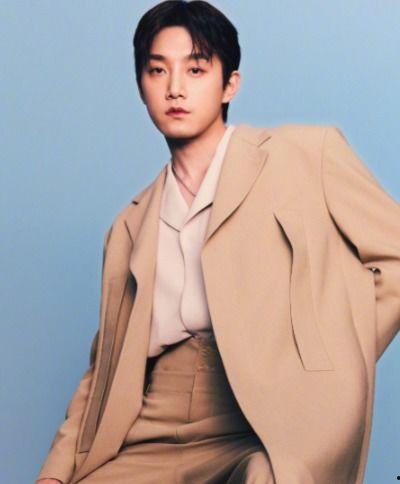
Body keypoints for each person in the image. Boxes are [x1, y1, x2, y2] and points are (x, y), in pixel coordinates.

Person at [36, 1, 399, 483]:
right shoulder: (129, 226)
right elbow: (103, 367)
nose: (175, 88)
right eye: (157, 70)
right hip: (152, 423)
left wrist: (333, 359)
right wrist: (54, 473)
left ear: (230, 84)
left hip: (262, 416)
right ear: (141, 86)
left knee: (270, 476)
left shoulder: (307, 155)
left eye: (196, 69)